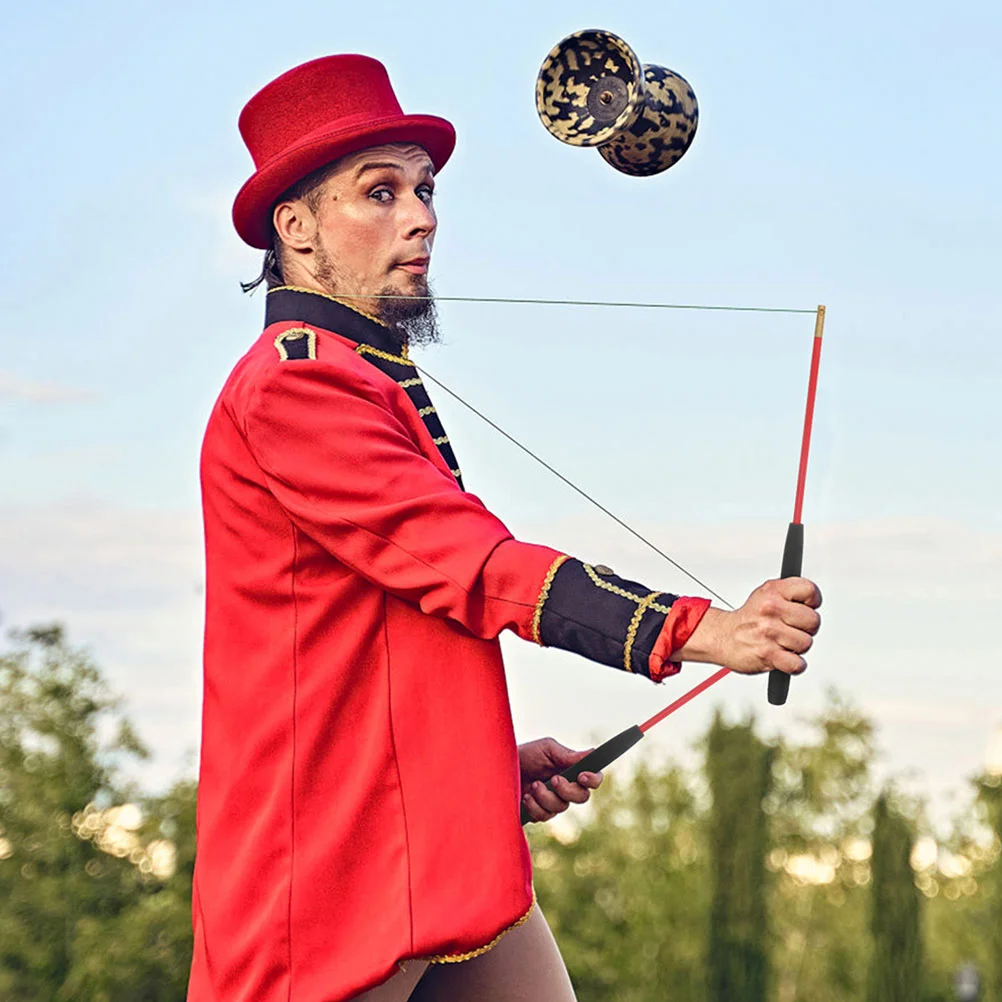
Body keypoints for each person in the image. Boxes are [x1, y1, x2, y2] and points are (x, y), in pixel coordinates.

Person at [189, 54, 822, 1002]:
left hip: (428, 838)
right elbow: (473, 567)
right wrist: (705, 632)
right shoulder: (296, 382)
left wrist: (480, 768)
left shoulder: (356, 374)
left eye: (426, 189)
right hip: (326, 871)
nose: (422, 216)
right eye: (380, 191)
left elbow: (397, 626)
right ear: (297, 229)